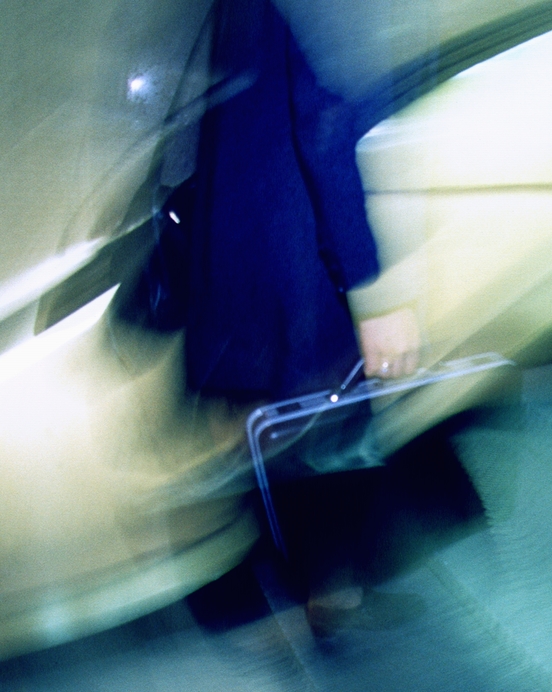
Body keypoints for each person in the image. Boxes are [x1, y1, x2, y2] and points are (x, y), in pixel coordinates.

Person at [164, 0, 421, 632]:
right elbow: (328, 126)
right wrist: (376, 296)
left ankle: (289, 589)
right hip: (300, 252)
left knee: (277, 427)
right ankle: (323, 597)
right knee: (334, 425)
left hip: (245, 239)